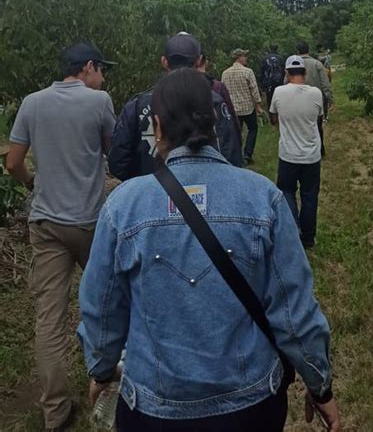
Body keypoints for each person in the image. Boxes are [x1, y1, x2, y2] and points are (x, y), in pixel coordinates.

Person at [78, 68, 341, 432]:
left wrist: (102, 369)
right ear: (216, 121)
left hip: (154, 410)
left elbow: (101, 308)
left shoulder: (123, 206)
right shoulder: (262, 197)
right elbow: (294, 311)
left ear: (157, 127)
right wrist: (319, 385)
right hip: (250, 404)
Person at [6, 42, 116, 432]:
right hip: (89, 222)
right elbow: (111, 152)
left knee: (48, 318)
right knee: (107, 302)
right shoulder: (99, 101)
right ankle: (108, 385)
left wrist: (34, 184)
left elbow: (13, 162)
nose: (103, 77)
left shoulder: (32, 102)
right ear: (88, 67)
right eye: (102, 69)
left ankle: (55, 411)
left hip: (46, 223)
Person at [109, 33, 242, 178]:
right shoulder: (213, 101)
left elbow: (118, 162)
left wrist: (144, 186)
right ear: (199, 61)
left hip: (151, 193)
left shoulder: (136, 105)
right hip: (209, 191)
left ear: (164, 62)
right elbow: (230, 154)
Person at [270, 56, 323, 250]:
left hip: (288, 155)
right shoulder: (316, 93)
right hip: (311, 155)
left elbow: (274, 118)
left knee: (286, 191)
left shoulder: (278, 92)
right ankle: (308, 238)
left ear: (286, 73)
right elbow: (319, 118)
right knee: (310, 195)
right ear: (305, 72)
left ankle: (293, 230)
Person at [222, 48, 263, 165]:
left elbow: (223, 90)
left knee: (236, 132)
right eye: (244, 56)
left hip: (233, 108)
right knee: (252, 129)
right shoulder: (248, 72)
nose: (246, 58)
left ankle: (237, 155)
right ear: (239, 57)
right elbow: (254, 89)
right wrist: (258, 105)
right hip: (248, 107)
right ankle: (247, 154)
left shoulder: (225, 73)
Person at [296, 41, 332, 156]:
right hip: (316, 100)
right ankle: (321, 150)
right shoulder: (317, 64)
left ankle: (304, 151)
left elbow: (286, 82)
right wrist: (330, 98)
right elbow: (325, 83)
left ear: (297, 51)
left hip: (298, 100)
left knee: (302, 127)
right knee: (317, 126)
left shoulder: (294, 65)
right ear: (308, 50)